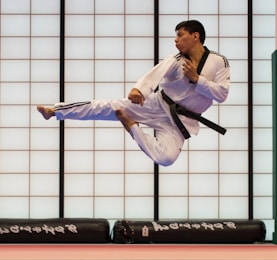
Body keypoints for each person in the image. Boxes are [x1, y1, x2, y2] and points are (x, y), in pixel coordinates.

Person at [37, 20, 230, 166]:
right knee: (106, 107)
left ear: (195, 36)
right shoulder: (176, 60)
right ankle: (55, 111)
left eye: (180, 35)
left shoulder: (218, 62)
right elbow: (155, 75)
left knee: (166, 158)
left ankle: (132, 127)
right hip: (156, 105)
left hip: (180, 121)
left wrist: (197, 79)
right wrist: (139, 89)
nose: (176, 39)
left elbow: (221, 94)